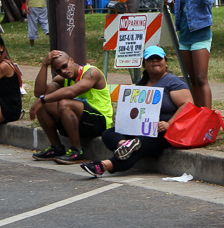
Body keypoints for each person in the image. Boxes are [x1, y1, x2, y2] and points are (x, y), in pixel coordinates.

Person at [80, 46, 193, 178]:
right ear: (144, 64)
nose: (155, 61)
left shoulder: (174, 82)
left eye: (159, 58)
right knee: (108, 133)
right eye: (151, 59)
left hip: (162, 132)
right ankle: (125, 146)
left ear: (165, 62)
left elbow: (187, 105)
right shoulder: (141, 83)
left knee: (138, 147)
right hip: (139, 128)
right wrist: (122, 116)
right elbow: (133, 108)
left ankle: (102, 165)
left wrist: (169, 123)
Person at [30, 50, 113, 164]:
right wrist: (44, 65)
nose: (63, 71)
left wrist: (43, 99)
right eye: (59, 70)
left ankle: (77, 151)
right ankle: (56, 148)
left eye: (65, 66)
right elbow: (39, 93)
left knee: (64, 103)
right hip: (78, 123)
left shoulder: (91, 72)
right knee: (42, 104)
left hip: (100, 123)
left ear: (72, 60)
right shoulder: (63, 80)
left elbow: (72, 92)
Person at [163, 0, 215, 109]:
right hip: (185, 37)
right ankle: (198, 113)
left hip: (200, 35)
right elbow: (183, 10)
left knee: (201, 78)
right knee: (192, 79)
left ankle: (206, 116)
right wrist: (172, 4)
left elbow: (209, 0)